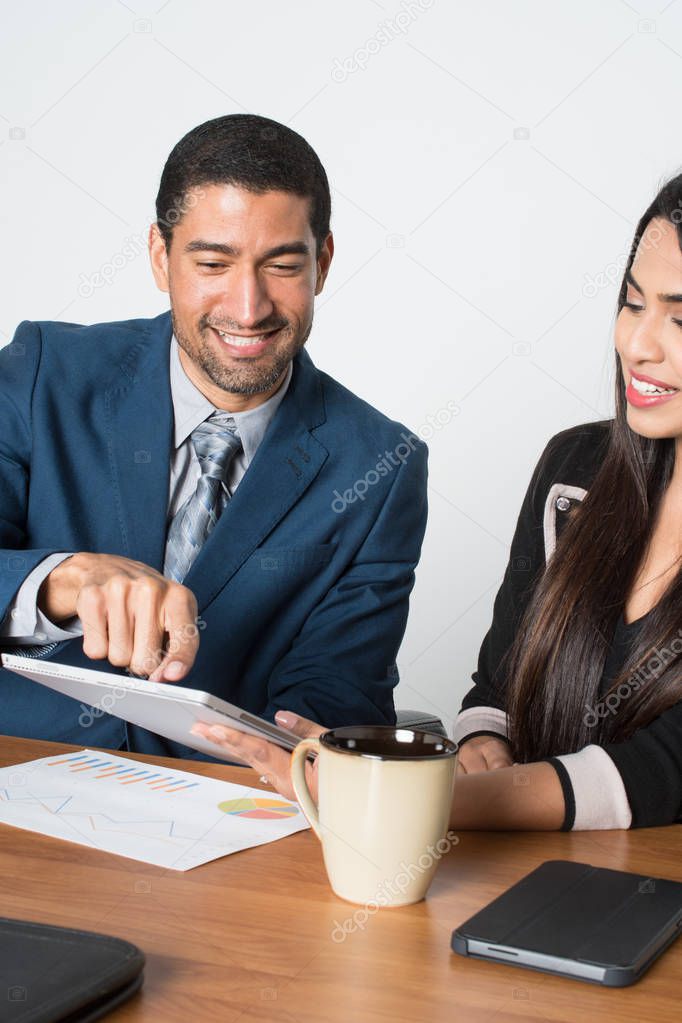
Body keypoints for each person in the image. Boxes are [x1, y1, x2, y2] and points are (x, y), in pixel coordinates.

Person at [197, 173, 682, 830]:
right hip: (534, 882)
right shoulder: (578, 469)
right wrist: (486, 742)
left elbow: (660, 771)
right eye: (632, 304)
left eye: (679, 317)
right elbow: (502, 681)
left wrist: (406, 800)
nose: (639, 344)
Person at [0, 114, 428, 758]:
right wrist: (63, 580)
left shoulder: (382, 465)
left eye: (282, 265)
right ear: (158, 255)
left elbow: (338, 689)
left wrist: (301, 752)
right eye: (212, 262)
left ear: (324, 262)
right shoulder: (43, 371)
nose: (248, 307)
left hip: (223, 813)